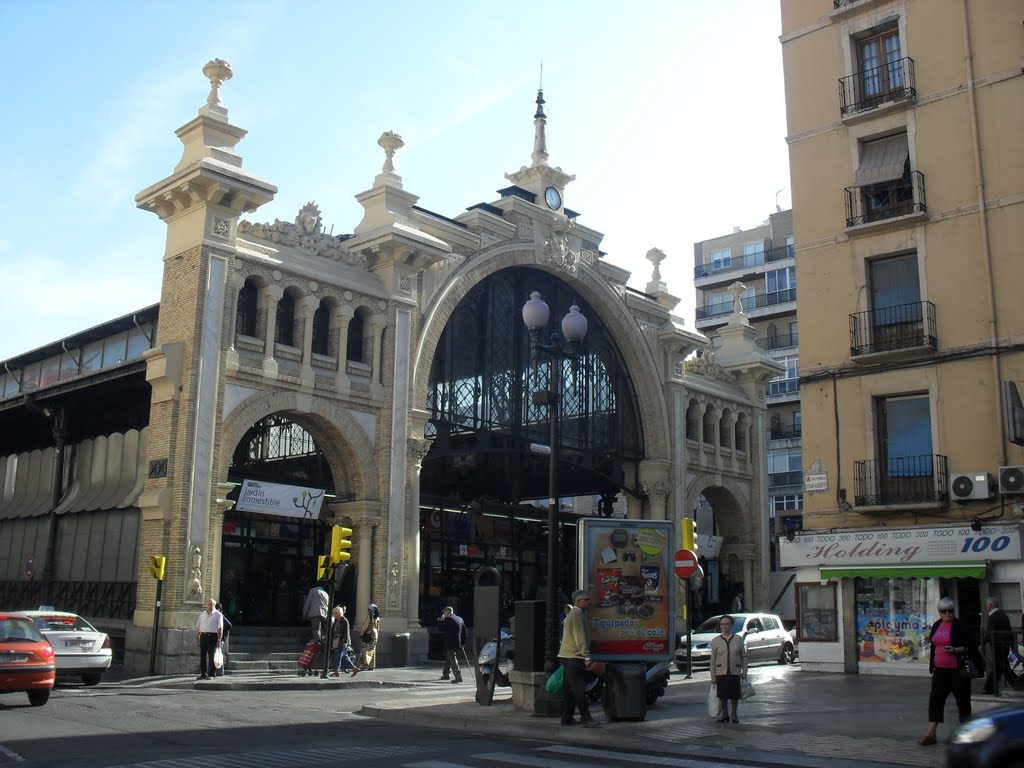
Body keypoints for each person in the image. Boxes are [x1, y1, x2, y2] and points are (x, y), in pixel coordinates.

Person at [920, 597, 972, 746]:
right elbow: (934, 641)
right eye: (944, 611)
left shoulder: (960, 626)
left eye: (950, 611)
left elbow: (971, 646)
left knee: (962, 702)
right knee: (935, 700)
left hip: (957, 669)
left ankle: (966, 733)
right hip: (940, 669)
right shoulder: (937, 625)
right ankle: (931, 733)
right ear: (939, 612)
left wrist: (956, 649)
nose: (948, 614)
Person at [558, 589, 597, 727]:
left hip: (567, 656)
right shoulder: (576, 615)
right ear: (579, 601)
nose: (588, 602)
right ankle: (585, 717)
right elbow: (580, 636)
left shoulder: (574, 614)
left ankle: (567, 717)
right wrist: (586, 655)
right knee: (579, 688)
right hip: (574, 656)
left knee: (569, 689)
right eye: (586, 599)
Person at [709, 614, 747, 724]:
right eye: (722, 624)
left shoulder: (738, 639)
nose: (724, 626)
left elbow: (744, 657)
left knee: (735, 695)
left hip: (735, 671)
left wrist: (744, 672)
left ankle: (734, 714)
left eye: (727, 624)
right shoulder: (716, 640)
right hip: (721, 672)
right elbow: (713, 660)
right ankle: (724, 714)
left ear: (732, 625)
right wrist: (713, 676)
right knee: (723, 695)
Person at [982, 596, 1016, 694]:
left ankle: (1015, 683)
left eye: (987, 605)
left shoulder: (994, 616)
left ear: (990, 605)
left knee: (1001, 666)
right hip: (1004, 644)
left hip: (998, 645)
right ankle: (990, 686)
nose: (986, 607)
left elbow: (990, 632)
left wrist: (982, 642)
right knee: (1000, 666)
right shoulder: (1003, 615)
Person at [195, 598, 224, 680]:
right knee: (202, 656)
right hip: (203, 636)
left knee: (211, 656)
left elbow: (220, 628)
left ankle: (212, 673)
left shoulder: (218, 614)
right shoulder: (203, 614)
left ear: (214, 605)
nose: (210, 606)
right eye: (208, 604)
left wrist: (219, 639)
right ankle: (203, 673)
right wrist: (197, 637)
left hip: (212, 636)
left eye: (212, 604)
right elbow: (198, 627)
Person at [439, 606, 468, 683]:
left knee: (452, 659)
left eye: (444, 613)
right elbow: (464, 631)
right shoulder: (459, 619)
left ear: (447, 613)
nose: (443, 614)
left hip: (450, 642)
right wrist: (463, 642)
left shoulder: (448, 619)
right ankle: (445, 674)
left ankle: (458, 677)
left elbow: (441, 629)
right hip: (457, 642)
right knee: (448, 658)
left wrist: (441, 620)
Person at [328, 606, 356, 676]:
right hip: (336, 642)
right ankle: (355, 669)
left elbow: (346, 632)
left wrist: (345, 642)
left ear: (338, 613)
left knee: (337, 656)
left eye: (334, 613)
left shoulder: (344, 621)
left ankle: (336, 671)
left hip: (342, 642)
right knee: (345, 657)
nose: (333, 615)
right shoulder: (336, 621)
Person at [354, 603, 380, 674]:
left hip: (368, 635)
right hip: (375, 635)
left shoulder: (369, 617)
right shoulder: (377, 618)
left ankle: (365, 664)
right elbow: (378, 628)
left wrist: (361, 634)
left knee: (366, 650)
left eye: (368, 609)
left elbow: (365, 626)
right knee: (372, 650)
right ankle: (371, 665)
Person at [215, 602, 232, 677]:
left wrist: (223, 632)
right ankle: (218, 671)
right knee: (217, 654)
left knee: (218, 654)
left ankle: (219, 671)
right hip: (217, 638)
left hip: (220, 639)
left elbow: (229, 625)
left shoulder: (220, 616)